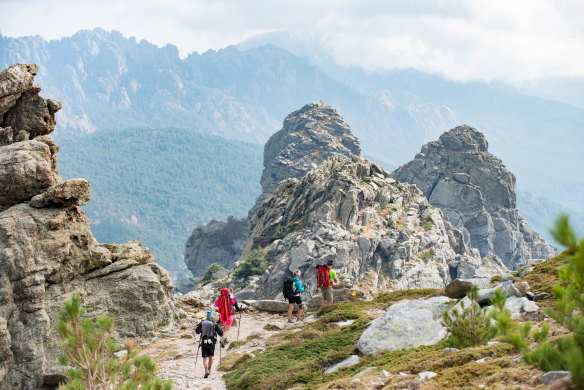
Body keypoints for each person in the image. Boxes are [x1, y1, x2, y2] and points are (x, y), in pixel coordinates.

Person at [195, 311, 223, 378]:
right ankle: (210, 370)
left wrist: (201, 331)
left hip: (204, 342)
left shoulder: (202, 323)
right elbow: (221, 333)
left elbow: (197, 331)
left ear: (207, 317)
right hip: (212, 342)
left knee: (205, 358)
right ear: (212, 317)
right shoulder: (214, 324)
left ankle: (206, 370)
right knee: (211, 357)